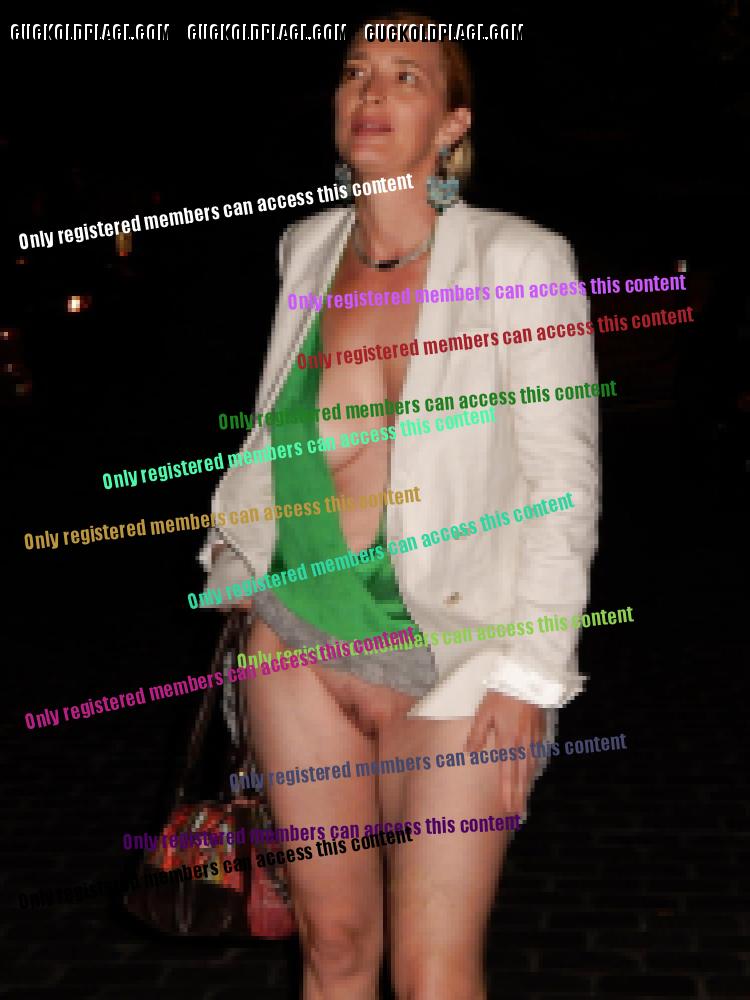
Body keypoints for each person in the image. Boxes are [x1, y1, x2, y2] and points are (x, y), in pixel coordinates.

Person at [199, 14, 599, 1000]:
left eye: (406, 76)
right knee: (333, 951)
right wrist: (236, 566)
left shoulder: (520, 260)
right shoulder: (305, 250)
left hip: (456, 658)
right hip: (298, 641)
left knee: (434, 970)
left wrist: (531, 674)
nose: (372, 92)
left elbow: (562, 481)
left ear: (452, 123)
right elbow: (274, 431)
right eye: (355, 72)